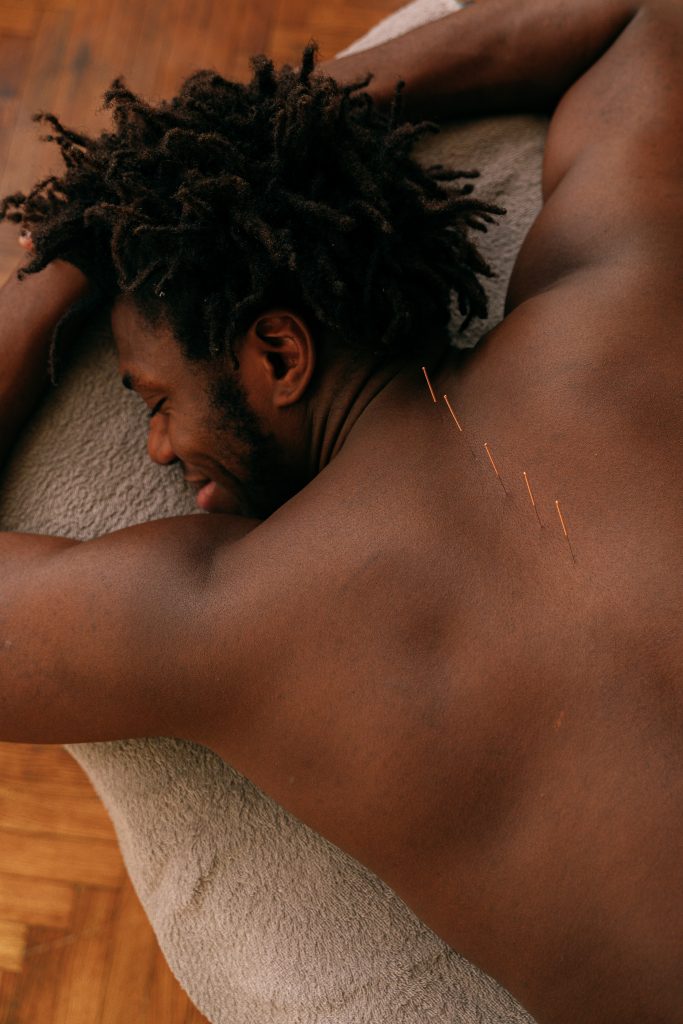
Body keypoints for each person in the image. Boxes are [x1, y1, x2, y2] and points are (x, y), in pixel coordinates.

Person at [0, 1, 681, 1021]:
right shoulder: (612, 301)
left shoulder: (236, 615)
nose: (155, 446)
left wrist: (73, 244)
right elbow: (647, 23)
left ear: (278, 354)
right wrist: (293, 116)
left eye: (154, 400)